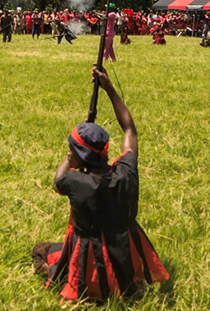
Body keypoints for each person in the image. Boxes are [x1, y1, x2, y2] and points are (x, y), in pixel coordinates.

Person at [31, 67, 169, 301]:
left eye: (71, 150)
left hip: (87, 268)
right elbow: (129, 129)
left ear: (80, 158)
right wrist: (110, 89)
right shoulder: (125, 172)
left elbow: (57, 181)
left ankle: (63, 279)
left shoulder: (75, 181)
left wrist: (71, 157)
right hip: (123, 257)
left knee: (40, 251)